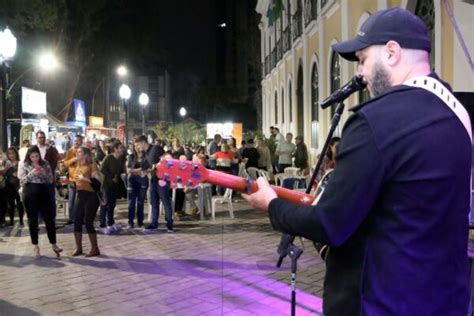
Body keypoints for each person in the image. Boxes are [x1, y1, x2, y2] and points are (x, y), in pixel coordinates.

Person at [243, 8, 471, 315]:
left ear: (392, 52)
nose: (358, 73)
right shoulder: (458, 113)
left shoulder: (374, 120)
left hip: (381, 303)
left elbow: (330, 224)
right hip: (446, 299)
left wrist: (272, 205)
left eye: (362, 59)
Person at [20, 146, 62, 258]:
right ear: (29, 156)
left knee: (49, 219)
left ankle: (54, 244)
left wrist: (43, 173)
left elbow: (50, 179)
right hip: (29, 194)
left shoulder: (45, 163)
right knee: (32, 220)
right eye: (32, 156)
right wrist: (31, 173)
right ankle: (35, 246)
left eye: (36, 156)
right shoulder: (25, 165)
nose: (35, 159)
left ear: (39, 155)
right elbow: (22, 181)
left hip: (43, 193)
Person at [134, 135, 173, 233]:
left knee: (165, 202)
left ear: (143, 143)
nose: (137, 148)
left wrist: (156, 165)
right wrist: (133, 170)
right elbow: (145, 166)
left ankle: (169, 224)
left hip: (162, 180)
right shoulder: (146, 153)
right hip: (153, 181)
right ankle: (154, 223)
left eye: (138, 145)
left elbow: (167, 160)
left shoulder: (156, 148)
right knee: (153, 203)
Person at [72, 147, 102, 257]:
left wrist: (85, 179)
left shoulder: (92, 165)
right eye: (77, 152)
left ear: (85, 155)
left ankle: (95, 249)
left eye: (79, 152)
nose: (77, 153)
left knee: (88, 221)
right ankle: (78, 248)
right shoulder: (78, 166)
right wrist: (70, 181)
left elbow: (98, 183)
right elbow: (77, 181)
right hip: (80, 195)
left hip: (91, 195)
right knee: (77, 221)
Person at [100, 141, 125, 234]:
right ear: (115, 149)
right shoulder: (108, 157)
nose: (122, 149)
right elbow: (102, 169)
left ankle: (110, 222)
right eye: (121, 147)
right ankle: (102, 225)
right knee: (104, 204)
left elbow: (120, 172)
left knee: (112, 204)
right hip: (106, 185)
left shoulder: (120, 159)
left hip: (114, 185)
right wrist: (111, 176)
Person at [126, 142, 149, 229]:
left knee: (140, 202)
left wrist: (134, 170)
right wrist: (140, 170)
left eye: (138, 145)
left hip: (142, 181)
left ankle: (140, 222)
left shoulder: (147, 157)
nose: (136, 147)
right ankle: (130, 222)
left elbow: (147, 168)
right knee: (131, 203)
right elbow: (128, 170)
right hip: (132, 181)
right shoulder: (131, 156)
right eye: (135, 146)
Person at [64, 134, 84, 224]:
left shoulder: (85, 151)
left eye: (78, 140)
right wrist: (74, 159)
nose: (76, 142)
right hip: (72, 180)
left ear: (81, 141)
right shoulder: (70, 151)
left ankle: (80, 219)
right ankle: (71, 219)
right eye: (75, 140)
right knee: (71, 201)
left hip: (82, 179)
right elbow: (66, 163)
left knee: (80, 201)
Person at [4, 147, 24, 226]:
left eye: (12, 153)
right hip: (9, 186)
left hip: (18, 186)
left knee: (20, 204)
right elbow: (3, 173)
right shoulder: (6, 163)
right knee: (10, 204)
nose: (11, 155)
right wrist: (5, 168)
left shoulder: (20, 163)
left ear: (16, 153)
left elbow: (23, 174)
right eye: (9, 153)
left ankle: (21, 220)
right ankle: (12, 220)